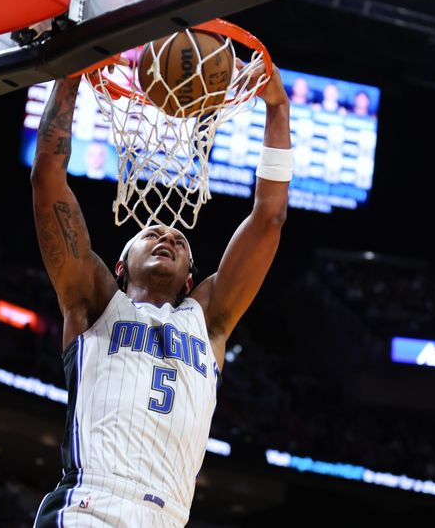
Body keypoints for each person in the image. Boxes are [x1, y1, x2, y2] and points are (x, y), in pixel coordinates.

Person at [30, 62, 292, 527]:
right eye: (152, 233)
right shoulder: (94, 303)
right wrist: (71, 74)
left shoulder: (208, 320)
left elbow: (269, 217)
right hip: (92, 506)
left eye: (179, 241)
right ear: (118, 265)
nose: (167, 236)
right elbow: (48, 179)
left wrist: (277, 107)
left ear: (191, 279)